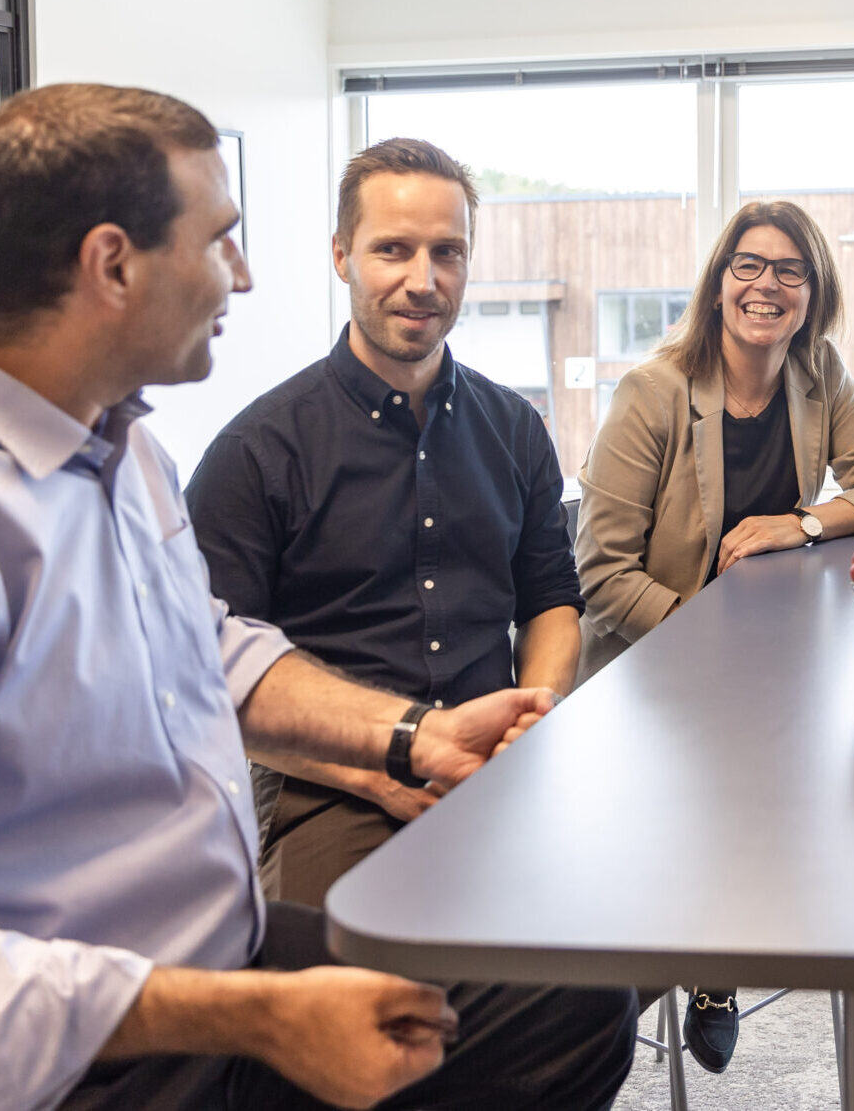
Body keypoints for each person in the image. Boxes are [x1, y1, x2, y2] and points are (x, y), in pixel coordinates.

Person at [0, 84, 635, 1110]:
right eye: (220, 241)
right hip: (94, 1037)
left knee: (573, 999)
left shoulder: (120, 443)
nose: (243, 277)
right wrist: (250, 1017)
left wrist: (410, 735)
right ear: (113, 264)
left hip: (215, 943)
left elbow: (206, 641)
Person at [575, 201, 854, 1088]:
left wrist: (802, 519)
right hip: (658, 675)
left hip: (770, 660)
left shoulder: (815, 373)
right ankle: (717, 959)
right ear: (717, 282)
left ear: (813, 295)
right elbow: (600, 572)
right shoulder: (653, 392)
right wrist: (705, 643)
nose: (765, 286)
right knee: (815, 778)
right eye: (748, 265)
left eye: (789, 270)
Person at [186, 137, 584, 908]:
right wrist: (380, 765)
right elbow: (214, 684)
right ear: (342, 255)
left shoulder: (517, 430)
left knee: (608, 955)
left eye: (447, 252)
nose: (422, 280)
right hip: (328, 783)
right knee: (351, 982)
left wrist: (527, 730)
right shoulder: (254, 453)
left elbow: (550, 604)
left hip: (498, 763)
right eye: (393, 250)